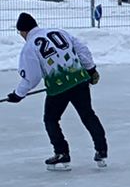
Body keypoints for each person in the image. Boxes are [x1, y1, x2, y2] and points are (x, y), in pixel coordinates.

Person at [8, 13, 109, 169]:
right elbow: (82, 49)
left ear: (23, 31)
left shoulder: (29, 47)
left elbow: (32, 76)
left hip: (58, 87)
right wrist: (90, 69)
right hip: (79, 79)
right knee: (88, 115)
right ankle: (101, 150)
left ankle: (62, 153)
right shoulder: (59, 32)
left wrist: (18, 94)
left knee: (51, 119)